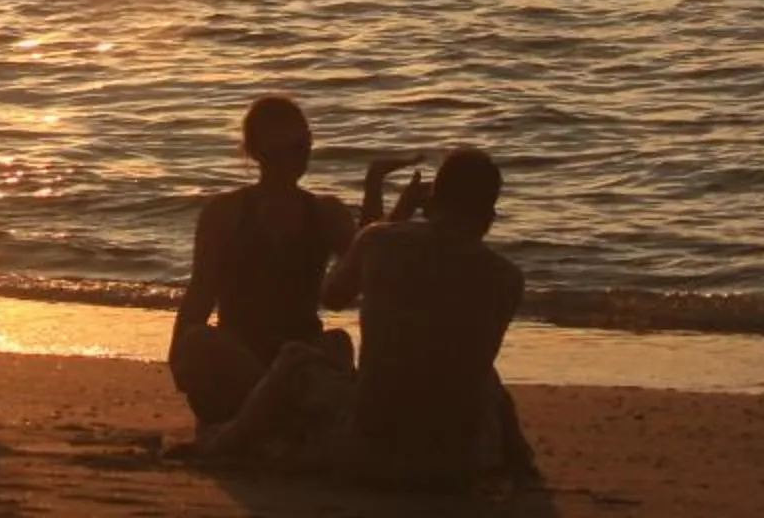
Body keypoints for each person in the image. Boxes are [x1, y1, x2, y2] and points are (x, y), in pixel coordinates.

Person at [197, 144, 543, 493]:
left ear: (432, 201)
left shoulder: (380, 241)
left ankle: (226, 441)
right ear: (488, 217)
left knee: (296, 358)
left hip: (369, 455)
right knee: (480, 368)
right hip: (457, 468)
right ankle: (523, 464)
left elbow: (331, 295)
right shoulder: (507, 278)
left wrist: (393, 224)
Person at [167, 95, 399, 425]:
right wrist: (179, 357)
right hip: (240, 356)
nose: (296, 159)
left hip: (300, 354)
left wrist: (375, 187)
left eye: (303, 147)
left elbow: (359, 271)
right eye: (284, 151)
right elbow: (201, 291)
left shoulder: (324, 212)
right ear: (258, 153)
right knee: (198, 341)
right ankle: (271, 414)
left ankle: (266, 418)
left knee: (336, 344)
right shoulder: (226, 212)